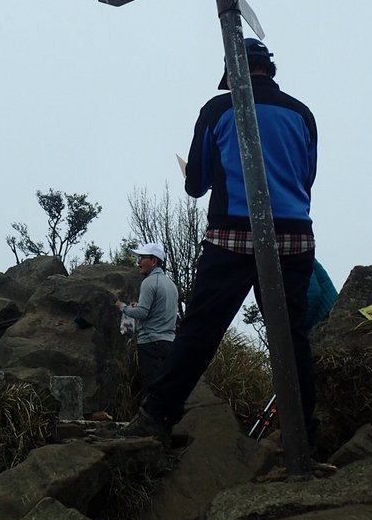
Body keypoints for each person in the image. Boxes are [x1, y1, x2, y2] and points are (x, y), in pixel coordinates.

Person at [128, 38, 319, 448]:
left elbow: (196, 184)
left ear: (233, 74)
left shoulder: (218, 109)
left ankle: (156, 414)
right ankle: (305, 431)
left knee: (200, 330)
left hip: (233, 235)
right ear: (269, 70)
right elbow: (306, 180)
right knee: (291, 335)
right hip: (294, 237)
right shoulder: (303, 114)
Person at [115, 243, 178, 398]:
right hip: (168, 343)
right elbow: (158, 310)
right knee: (166, 386)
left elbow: (142, 313)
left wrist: (123, 307)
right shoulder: (171, 284)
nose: (138, 262)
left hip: (150, 343)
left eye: (142, 258)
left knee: (151, 387)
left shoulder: (149, 282)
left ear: (154, 261)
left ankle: (150, 420)